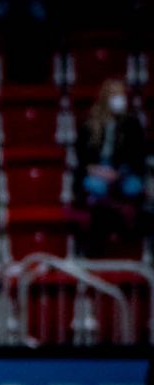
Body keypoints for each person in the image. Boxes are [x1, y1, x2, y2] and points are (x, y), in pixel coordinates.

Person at [72, 79, 148, 258]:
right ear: (106, 98)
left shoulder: (132, 123)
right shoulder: (89, 123)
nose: (120, 99)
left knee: (133, 187)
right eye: (115, 95)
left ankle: (123, 224)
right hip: (96, 170)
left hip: (122, 171)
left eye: (122, 95)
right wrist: (99, 171)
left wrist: (119, 173)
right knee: (96, 187)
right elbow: (82, 158)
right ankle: (110, 217)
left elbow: (137, 157)